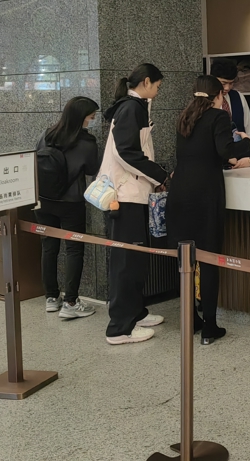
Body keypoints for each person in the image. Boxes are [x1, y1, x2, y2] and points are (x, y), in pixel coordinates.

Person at [166, 76, 250, 345]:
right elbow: (225, 150)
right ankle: (210, 327)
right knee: (209, 259)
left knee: (185, 260)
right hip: (205, 194)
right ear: (218, 96)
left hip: (180, 192)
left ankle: (190, 319)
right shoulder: (218, 116)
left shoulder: (184, 116)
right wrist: (247, 143)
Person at [99, 63, 170, 345]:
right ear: (146, 82)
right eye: (157, 86)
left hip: (134, 194)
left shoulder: (135, 106)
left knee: (136, 260)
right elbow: (126, 152)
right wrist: (160, 175)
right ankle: (119, 328)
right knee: (126, 263)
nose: (158, 92)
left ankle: (135, 313)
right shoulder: (130, 108)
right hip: (125, 197)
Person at [35, 96, 101, 320]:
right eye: (91, 117)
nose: (92, 121)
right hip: (71, 203)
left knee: (49, 247)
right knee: (74, 249)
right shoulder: (87, 143)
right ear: (81, 117)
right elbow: (92, 169)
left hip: (43, 200)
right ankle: (71, 302)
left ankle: (51, 298)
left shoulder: (47, 134)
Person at [210, 59, 250, 140]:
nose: (227, 88)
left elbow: (249, 133)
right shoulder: (205, 100)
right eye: (223, 83)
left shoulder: (238, 97)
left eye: (231, 83)